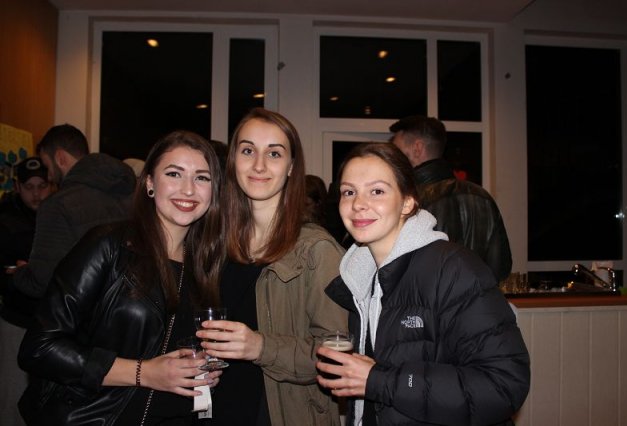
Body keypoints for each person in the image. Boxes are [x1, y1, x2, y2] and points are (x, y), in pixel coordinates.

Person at [17, 130, 226, 425]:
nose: (188, 189)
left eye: (201, 178)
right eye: (174, 174)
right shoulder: (108, 246)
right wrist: (143, 373)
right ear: (150, 183)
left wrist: (203, 373)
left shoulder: (207, 265)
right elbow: (39, 348)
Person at [316, 143, 530, 426]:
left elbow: (503, 385)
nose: (358, 204)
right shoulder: (361, 279)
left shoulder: (454, 269)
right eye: (349, 192)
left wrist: (380, 380)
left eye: (377, 191)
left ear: (407, 202)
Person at [196, 107, 348, 426]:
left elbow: (335, 355)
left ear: (291, 167)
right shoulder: (213, 243)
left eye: (274, 153)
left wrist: (259, 347)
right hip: (216, 410)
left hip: (284, 414)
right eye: (248, 150)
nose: (259, 165)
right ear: (233, 161)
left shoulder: (316, 250)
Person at [9, 124, 136, 300]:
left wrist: (20, 273)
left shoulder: (57, 205)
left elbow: (41, 283)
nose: (49, 176)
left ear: (60, 158)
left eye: (47, 166)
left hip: (85, 313)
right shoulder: (132, 193)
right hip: (127, 307)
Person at [390, 115, 513, 281]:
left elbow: (397, 270)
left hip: (427, 298)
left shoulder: (409, 202)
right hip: (479, 296)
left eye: (396, 150)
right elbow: (501, 268)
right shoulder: (482, 196)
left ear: (417, 148)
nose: (392, 159)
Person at [0, 157, 52, 426]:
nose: (36, 193)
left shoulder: (57, 215)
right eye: (29, 186)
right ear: (17, 187)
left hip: (50, 324)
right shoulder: (5, 218)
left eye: (42, 186)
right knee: (12, 396)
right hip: (16, 319)